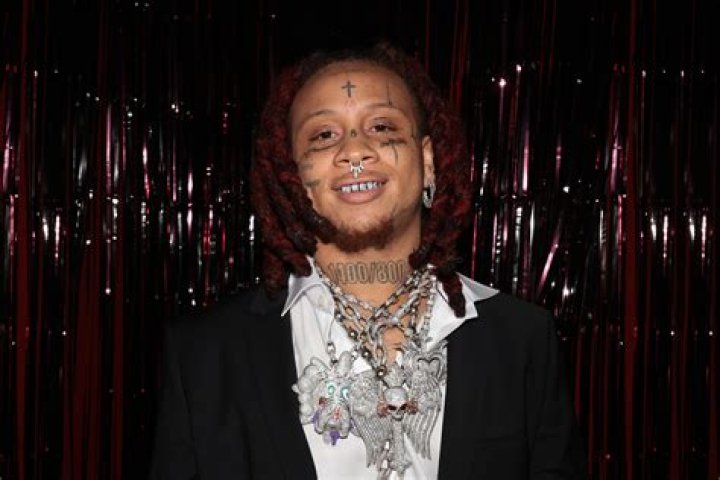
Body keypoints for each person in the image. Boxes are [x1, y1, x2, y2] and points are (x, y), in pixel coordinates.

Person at [150, 43, 586, 479]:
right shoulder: (204, 358)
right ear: (291, 174)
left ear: (428, 160)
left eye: (381, 127)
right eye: (324, 135)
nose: (355, 151)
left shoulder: (523, 340)